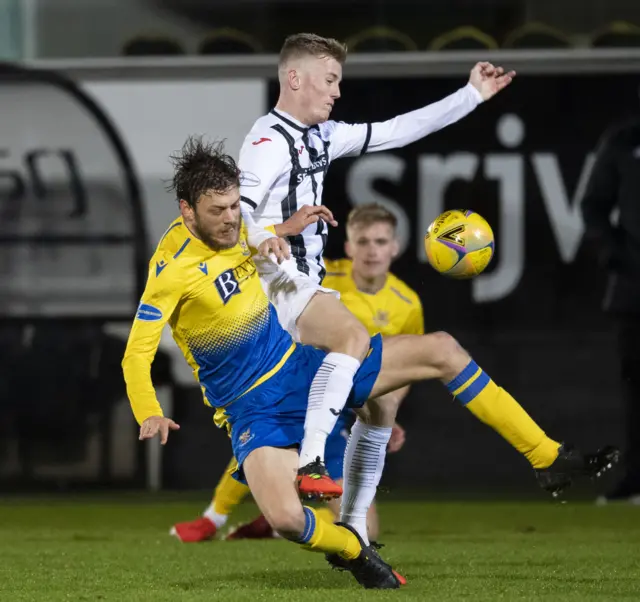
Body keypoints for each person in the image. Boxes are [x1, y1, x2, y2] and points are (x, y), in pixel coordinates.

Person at [123, 137, 617, 589]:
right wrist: (147, 409)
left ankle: (546, 456)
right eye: (220, 211)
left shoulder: (233, 227)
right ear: (187, 212)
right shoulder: (169, 273)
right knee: (288, 521)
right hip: (253, 408)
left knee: (443, 348)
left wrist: (279, 230)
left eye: (235, 206)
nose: (232, 219)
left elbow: (245, 235)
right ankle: (352, 549)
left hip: (304, 369)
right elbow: (136, 353)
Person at [239, 32, 516, 499]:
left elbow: (398, 129)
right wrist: (273, 233)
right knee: (352, 340)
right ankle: (308, 463)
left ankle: (348, 525)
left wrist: (471, 95)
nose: (337, 91)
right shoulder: (267, 141)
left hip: (299, 287)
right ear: (294, 78)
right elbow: (237, 215)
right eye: (329, 80)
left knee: (378, 406)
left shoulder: (321, 137)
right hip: (274, 289)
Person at [170, 204, 418, 543]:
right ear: (348, 246)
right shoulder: (321, 275)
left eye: (380, 241)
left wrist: (387, 413)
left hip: (343, 414)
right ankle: (213, 518)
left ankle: (280, 522)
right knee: (258, 441)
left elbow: (397, 369)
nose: (371, 250)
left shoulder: (408, 302)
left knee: (368, 533)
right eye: (363, 241)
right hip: (296, 383)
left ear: (395, 247)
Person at [581, 115, 640, 503]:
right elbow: (594, 206)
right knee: (636, 387)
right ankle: (636, 479)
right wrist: (617, 255)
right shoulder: (624, 140)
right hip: (636, 284)